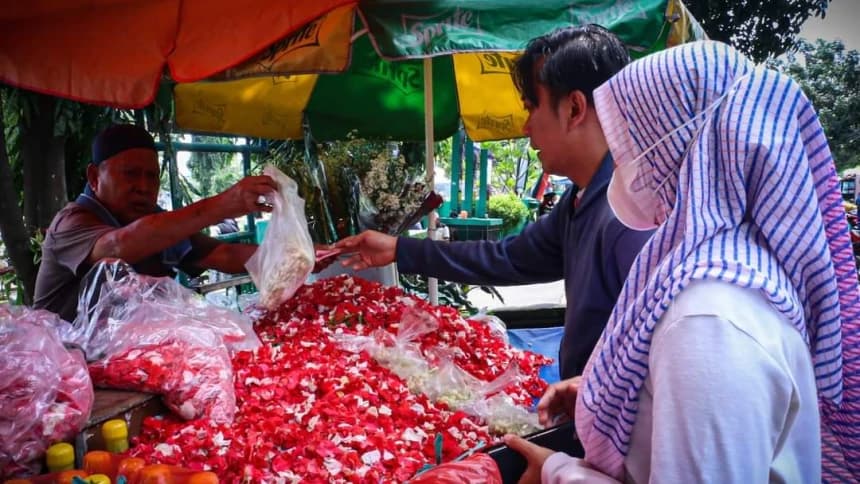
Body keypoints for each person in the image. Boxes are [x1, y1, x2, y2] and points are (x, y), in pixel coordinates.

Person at [505, 40, 860, 482]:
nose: (621, 168)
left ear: (677, 150)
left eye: (628, 146)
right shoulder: (730, 276)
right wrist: (611, 395)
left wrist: (556, 471)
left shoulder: (710, 320)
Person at [335, 25, 654, 381]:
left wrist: (592, 393)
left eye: (531, 107)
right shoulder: (578, 200)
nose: (526, 127)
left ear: (574, 108)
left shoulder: (634, 216)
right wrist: (398, 249)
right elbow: (507, 257)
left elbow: (661, 357)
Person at [34, 124, 277, 322]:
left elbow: (223, 254)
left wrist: (291, 257)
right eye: (130, 174)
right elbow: (117, 246)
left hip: (135, 357)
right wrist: (222, 204)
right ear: (94, 177)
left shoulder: (158, 225)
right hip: (62, 362)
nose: (143, 187)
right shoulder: (71, 222)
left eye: (151, 177)